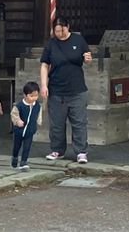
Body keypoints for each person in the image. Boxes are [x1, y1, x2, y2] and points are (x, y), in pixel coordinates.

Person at [39, 16, 92, 162]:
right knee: (56, 123)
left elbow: (87, 57)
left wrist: (88, 59)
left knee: (79, 122)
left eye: (62, 30)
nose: (60, 34)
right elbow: (44, 64)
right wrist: (44, 85)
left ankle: (81, 151)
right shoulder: (51, 44)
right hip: (56, 89)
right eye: (57, 31)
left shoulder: (78, 40)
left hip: (77, 89)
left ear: (68, 27)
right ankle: (57, 150)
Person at [10, 81, 42, 170]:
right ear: (25, 95)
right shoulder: (20, 105)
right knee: (17, 146)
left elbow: (39, 114)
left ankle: (24, 161)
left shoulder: (37, 106)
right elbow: (14, 114)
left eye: (36, 95)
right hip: (19, 131)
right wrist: (17, 121)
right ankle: (15, 157)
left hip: (30, 130)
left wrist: (39, 121)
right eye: (31, 96)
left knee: (27, 147)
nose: (34, 98)